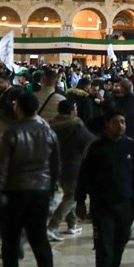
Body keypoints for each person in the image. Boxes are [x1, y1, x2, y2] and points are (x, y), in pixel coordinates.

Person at [0, 92, 60, 267]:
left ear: (19, 109)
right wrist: (51, 189)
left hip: (15, 191)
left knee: (11, 238)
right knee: (39, 236)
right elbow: (55, 165)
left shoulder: (11, 133)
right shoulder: (49, 132)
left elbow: (0, 167)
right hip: (41, 191)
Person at [75, 109, 134, 267]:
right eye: (116, 122)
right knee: (104, 241)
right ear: (107, 124)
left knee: (122, 238)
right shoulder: (96, 147)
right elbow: (84, 175)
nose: (120, 125)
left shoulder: (130, 146)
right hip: (102, 203)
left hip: (125, 203)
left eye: (123, 121)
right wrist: (80, 200)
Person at [46, 98, 92, 241]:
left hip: (57, 166)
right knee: (71, 197)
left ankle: (72, 224)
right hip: (74, 166)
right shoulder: (76, 125)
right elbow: (90, 142)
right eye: (75, 108)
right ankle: (52, 227)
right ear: (72, 110)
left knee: (68, 194)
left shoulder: (52, 125)